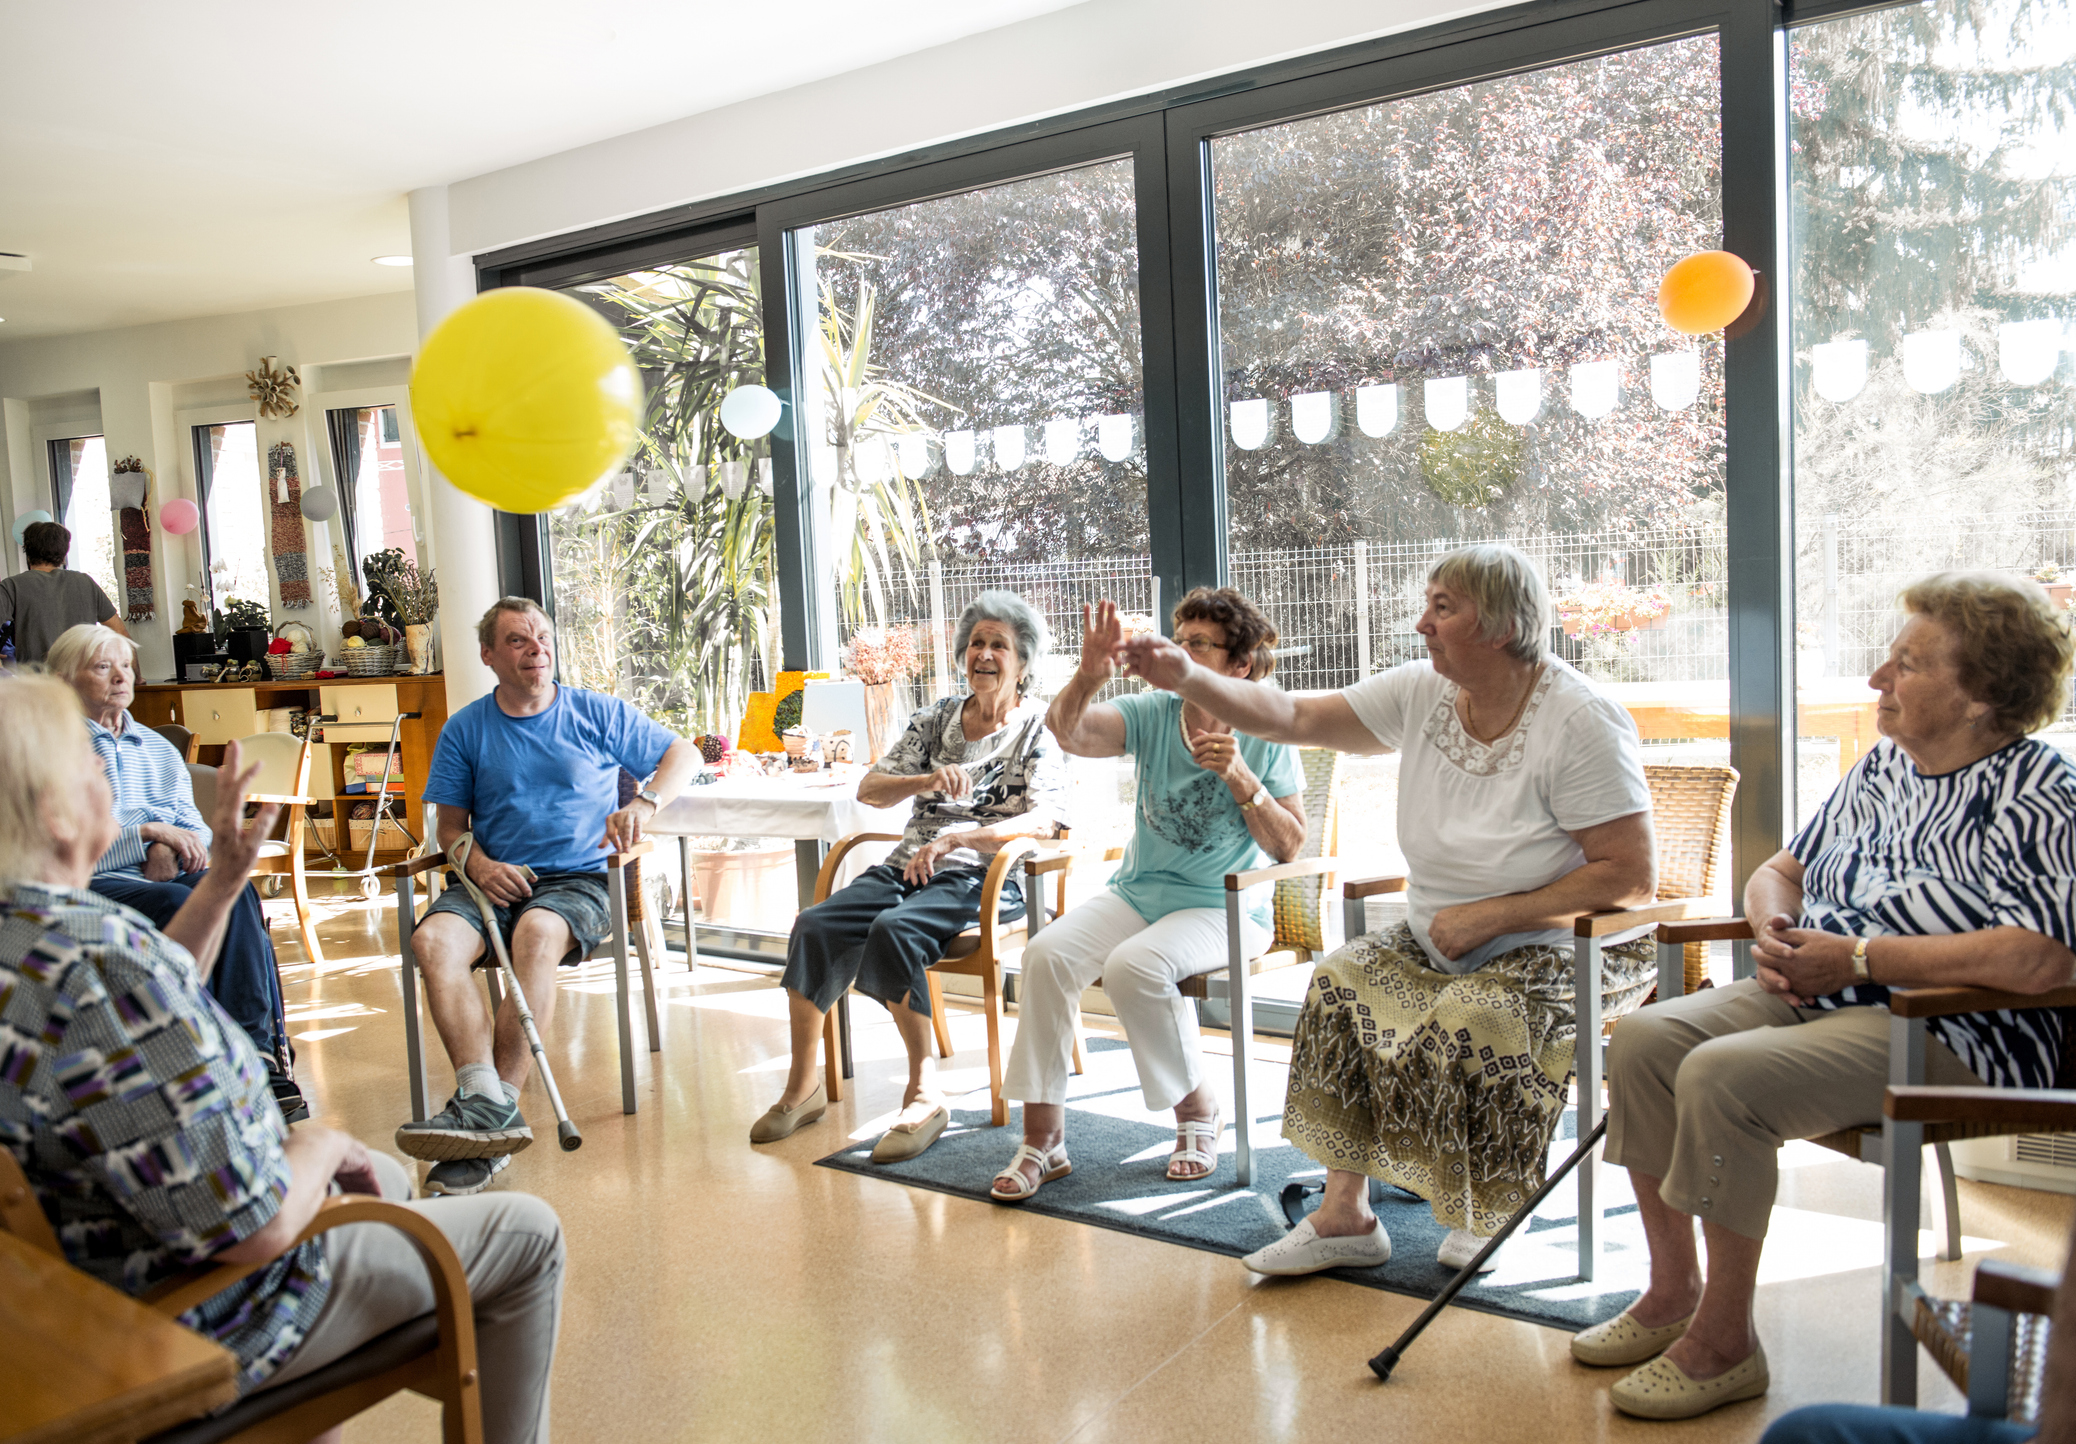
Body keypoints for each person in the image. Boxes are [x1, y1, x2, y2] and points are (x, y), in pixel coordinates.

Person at [0, 676, 566, 1442]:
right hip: (200, 1301)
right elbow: (256, 1226)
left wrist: (227, 879)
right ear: (55, 811)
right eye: (88, 761)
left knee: (390, 1176)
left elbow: (142, 1013)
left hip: (81, 1272)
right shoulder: (99, 960)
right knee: (528, 1232)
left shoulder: (44, 939)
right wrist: (316, 1142)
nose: (108, 770)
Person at [1567, 571, 2076, 1421]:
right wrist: (1773, 932)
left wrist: (1862, 959)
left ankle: (1726, 1343)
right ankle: (1672, 1291)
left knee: (1722, 1076)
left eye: (1908, 665)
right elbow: (1781, 870)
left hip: (1958, 1031)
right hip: (1835, 991)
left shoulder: (2040, 792)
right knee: (1648, 1041)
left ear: (1984, 693)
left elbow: (2041, 961)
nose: (1879, 679)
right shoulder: (1886, 768)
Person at [1116, 544, 1656, 1271]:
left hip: (1567, 942)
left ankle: (1491, 1206)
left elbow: (1629, 876)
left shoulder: (1579, 719)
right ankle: (1347, 1217)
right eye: (1427, 604)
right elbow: (1291, 716)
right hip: (1444, 932)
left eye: (1443, 608)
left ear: (1498, 626)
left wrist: (1495, 915)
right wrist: (1185, 675)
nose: (1421, 624)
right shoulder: (1423, 691)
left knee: (1481, 1016)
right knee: (1342, 983)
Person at [989, 589, 1306, 1201]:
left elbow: (1291, 847)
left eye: (1197, 644)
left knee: (1135, 966)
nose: (1179, 651)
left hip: (1226, 906)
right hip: (1140, 893)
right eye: (1177, 639)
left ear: (1238, 664)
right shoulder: (1155, 713)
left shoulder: (1265, 725)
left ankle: (1198, 1111)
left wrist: (1240, 776)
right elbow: (1067, 732)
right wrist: (1088, 675)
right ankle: (1045, 1138)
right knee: (1045, 956)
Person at [752, 591, 1066, 1161]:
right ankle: (804, 1087)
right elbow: (870, 789)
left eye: (1000, 645)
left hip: (984, 873)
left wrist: (961, 837)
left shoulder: (1036, 729)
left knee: (894, 930)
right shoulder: (936, 719)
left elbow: (1046, 819)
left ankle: (924, 1092)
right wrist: (923, 783)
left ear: (1023, 662)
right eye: (976, 643)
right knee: (815, 924)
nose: (985, 654)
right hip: (909, 864)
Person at [402, 597, 699, 1195]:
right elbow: (450, 829)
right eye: (516, 640)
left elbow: (683, 754)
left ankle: (495, 1111)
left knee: (536, 934)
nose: (536, 648)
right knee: (431, 940)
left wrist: (644, 802)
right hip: (491, 877)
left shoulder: (594, 711)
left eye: (541, 637)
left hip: (578, 880)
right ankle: (486, 1101)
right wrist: (481, 866)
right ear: (489, 656)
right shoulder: (466, 729)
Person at [45, 622, 306, 1121]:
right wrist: (148, 837)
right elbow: (63, 851)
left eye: (126, 665)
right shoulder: (55, 752)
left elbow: (197, 832)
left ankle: (258, 1053)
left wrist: (179, 844)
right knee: (180, 902)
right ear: (63, 680)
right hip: (97, 884)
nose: (122, 677)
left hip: (161, 873)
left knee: (238, 894)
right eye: (103, 666)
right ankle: (203, 1056)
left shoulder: (157, 749)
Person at [1, 519, 128, 664]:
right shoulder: (86, 583)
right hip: (83, 681)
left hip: (38, 682)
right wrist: (136, 678)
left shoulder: (12, 586)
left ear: (27, 551)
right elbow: (121, 634)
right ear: (64, 554)